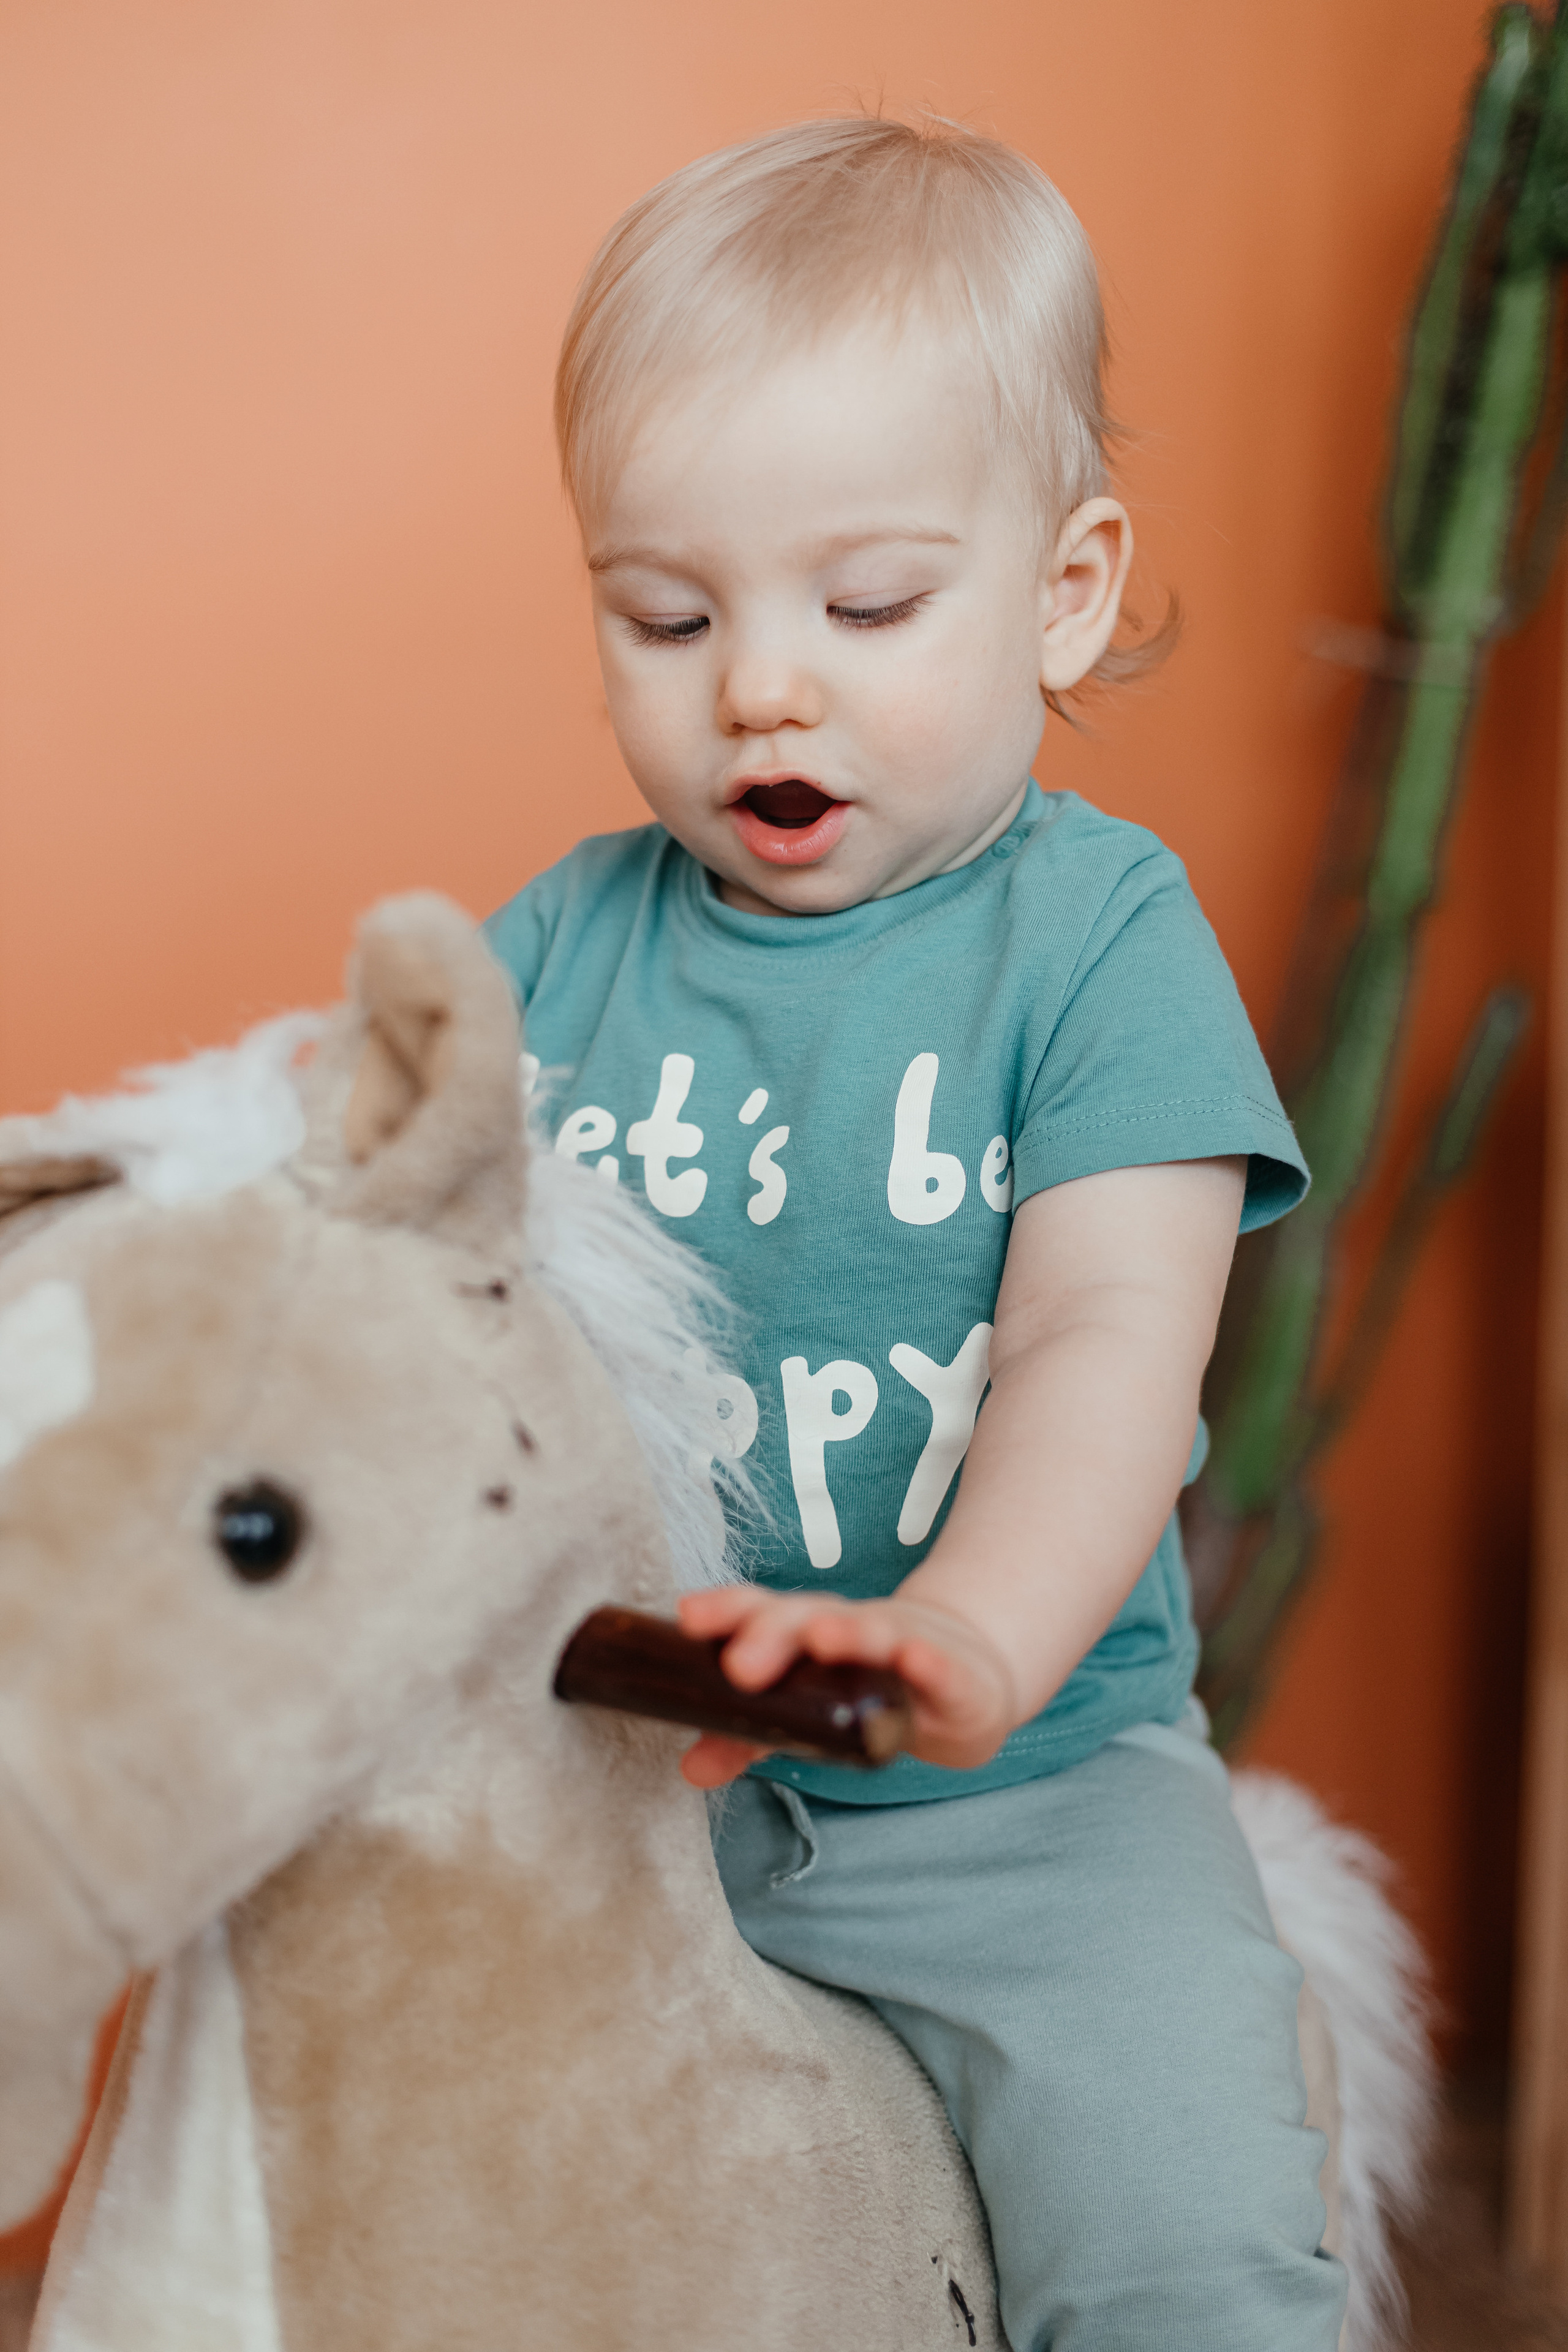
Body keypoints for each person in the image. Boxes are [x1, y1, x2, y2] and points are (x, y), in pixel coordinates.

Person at [486, 115, 1344, 2352]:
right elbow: (370, 1255)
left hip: (1026, 1802)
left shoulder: (1098, 942)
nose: (761, 682)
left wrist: (962, 1639)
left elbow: (1100, 1352)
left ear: (1064, 587)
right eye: (665, 614)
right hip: (623, 1797)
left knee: (1185, 2235)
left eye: (866, 607)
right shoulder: (563, 948)